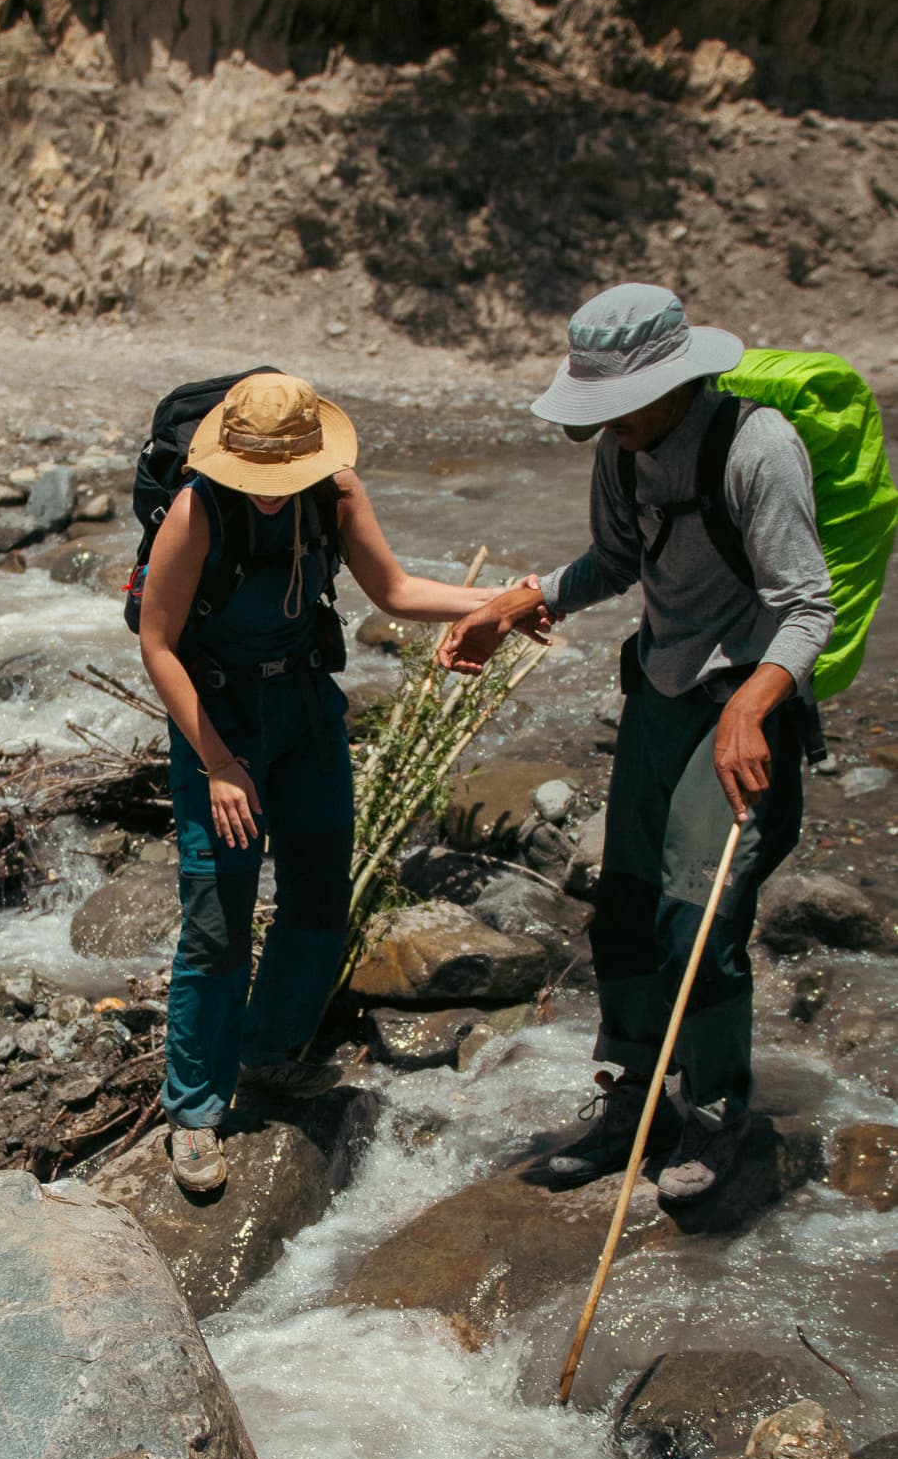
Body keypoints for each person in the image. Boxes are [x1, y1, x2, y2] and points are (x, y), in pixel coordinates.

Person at [441, 284, 834, 1203]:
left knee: (696, 918)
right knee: (622, 904)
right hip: (660, 691)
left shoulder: (757, 447)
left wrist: (750, 705)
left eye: (615, 409)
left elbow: (806, 605)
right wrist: (516, 604)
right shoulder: (624, 454)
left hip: (745, 700)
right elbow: (614, 562)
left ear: (676, 381)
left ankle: (716, 1113)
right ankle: (631, 1104)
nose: (604, 429)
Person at [139, 370, 548, 1194]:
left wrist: (498, 604)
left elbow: (392, 591)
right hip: (221, 720)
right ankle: (192, 1109)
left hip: (306, 712)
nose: (270, 490)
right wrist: (219, 763)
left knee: (318, 899)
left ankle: (266, 1054)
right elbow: (156, 643)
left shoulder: (333, 492)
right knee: (217, 922)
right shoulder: (194, 510)